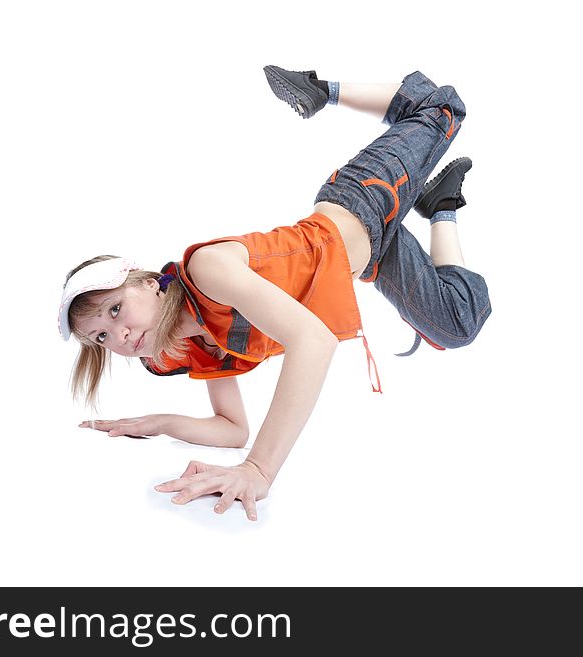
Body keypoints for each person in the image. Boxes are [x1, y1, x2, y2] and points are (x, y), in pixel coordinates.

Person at [57, 65, 492, 521]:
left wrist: (259, 470)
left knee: (442, 109)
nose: (119, 335)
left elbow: (314, 340)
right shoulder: (196, 345)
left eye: (115, 308)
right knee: (457, 325)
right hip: (371, 256)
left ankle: (322, 89)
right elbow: (231, 429)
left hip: (363, 199)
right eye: (101, 337)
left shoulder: (207, 270)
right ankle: (441, 205)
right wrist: (152, 423)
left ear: (148, 282)